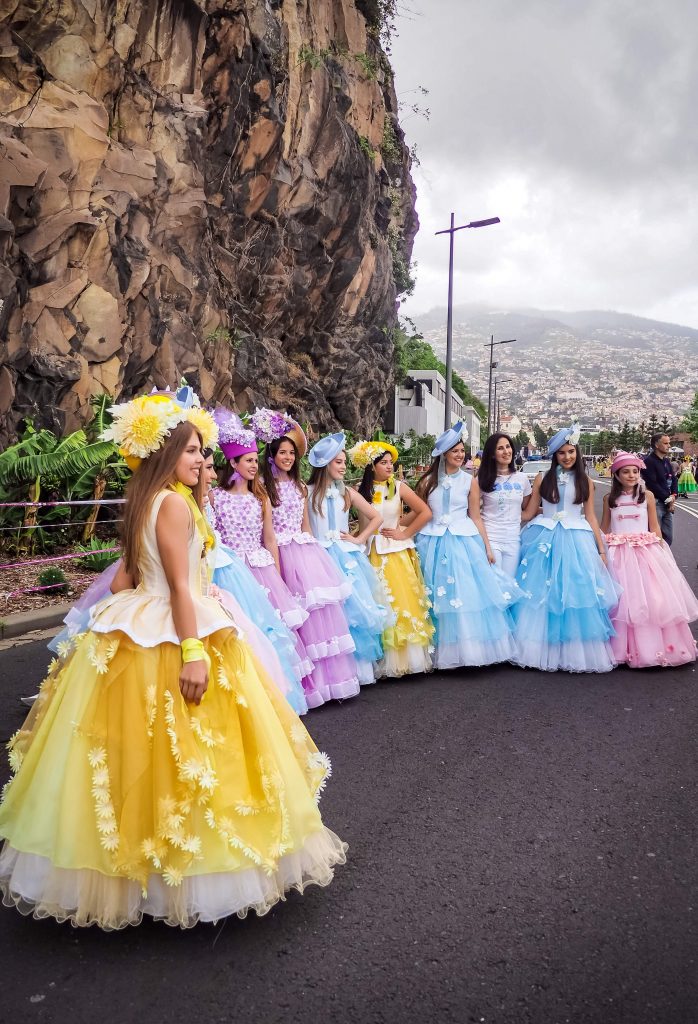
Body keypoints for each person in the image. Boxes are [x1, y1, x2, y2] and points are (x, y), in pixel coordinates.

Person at [0, 390, 346, 929]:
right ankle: (179, 872)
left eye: (203, 453)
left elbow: (124, 577)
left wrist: (117, 608)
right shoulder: (173, 503)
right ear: (164, 455)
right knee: (186, 756)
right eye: (190, 452)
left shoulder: (150, 498)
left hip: (145, 619)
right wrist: (192, 652)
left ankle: (137, 872)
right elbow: (181, 588)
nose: (201, 461)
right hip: (172, 627)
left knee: (137, 757)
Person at [255, 409, 361, 704]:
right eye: (283, 453)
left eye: (291, 453)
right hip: (280, 553)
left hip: (305, 552)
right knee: (292, 618)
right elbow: (268, 533)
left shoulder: (301, 487)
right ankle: (303, 686)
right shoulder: (264, 488)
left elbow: (304, 525)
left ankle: (328, 684)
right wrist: (275, 568)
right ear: (272, 455)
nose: (288, 458)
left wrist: (314, 552)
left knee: (317, 618)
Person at [201, 448, 309, 715]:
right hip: (230, 571)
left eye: (254, 460)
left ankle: (272, 690)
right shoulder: (216, 497)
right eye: (248, 460)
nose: (254, 465)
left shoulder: (260, 497)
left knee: (267, 628)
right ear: (233, 462)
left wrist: (278, 574)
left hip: (262, 568)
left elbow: (269, 538)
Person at [511, 423, 621, 673]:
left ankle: (574, 650)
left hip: (576, 539)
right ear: (554, 455)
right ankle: (541, 649)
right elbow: (529, 512)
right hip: (544, 537)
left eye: (571, 452)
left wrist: (601, 549)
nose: (567, 457)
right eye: (562, 453)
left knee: (575, 592)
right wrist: (501, 513)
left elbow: (591, 516)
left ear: (577, 453)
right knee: (542, 592)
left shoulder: (586, 480)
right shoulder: (542, 477)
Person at [413, 422, 521, 669]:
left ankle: (467, 650)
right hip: (433, 542)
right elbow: (419, 513)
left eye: (462, 451)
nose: (460, 455)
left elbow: (475, 516)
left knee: (465, 595)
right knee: (435, 593)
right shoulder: (427, 481)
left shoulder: (469, 481)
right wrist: (402, 533)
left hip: (464, 542)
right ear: (443, 455)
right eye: (455, 451)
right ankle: (437, 650)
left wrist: (487, 547)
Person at [306, 432, 390, 685]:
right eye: (338, 462)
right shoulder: (307, 492)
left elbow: (376, 517)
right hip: (319, 555)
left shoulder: (348, 493)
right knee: (329, 614)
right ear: (324, 464)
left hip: (345, 556)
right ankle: (334, 673)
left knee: (354, 611)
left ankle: (358, 671)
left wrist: (358, 538)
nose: (344, 467)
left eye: (344, 462)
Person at [600, 451, 698, 667]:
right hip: (618, 554)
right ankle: (622, 648)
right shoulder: (610, 499)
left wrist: (661, 553)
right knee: (621, 601)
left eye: (635, 471)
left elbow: (655, 528)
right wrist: (599, 550)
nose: (632, 475)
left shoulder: (648, 496)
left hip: (644, 551)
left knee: (651, 599)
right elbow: (604, 529)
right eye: (626, 472)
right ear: (616, 475)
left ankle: (653, 647)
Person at [351, 440, 434, 677]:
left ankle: (406, 659)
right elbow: (364, 523)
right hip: (369, 551)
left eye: (390, 462)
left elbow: (425, 512)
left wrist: (403, 531)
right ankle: (380, 658)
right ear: (371, 466)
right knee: (377, 601)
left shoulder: (398, 486)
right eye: (383, 463)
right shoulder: (359, 489)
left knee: (399, 601)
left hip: (393, 551)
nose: (389, 466)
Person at [472, 432, 532, 576]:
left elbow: (527, 510)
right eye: (500, 448)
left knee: (510, 584)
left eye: (508, 447)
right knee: (496, 584)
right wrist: (487, 546)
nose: (506, 451)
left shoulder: (522, 479)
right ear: (492, 454)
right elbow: (473, 513)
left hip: (513, 539)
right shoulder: (482, 479)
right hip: (491, 538)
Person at [641, 433, 678, 544]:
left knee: (668, 538)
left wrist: (674, 495)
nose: (669, 446)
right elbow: (652, 484)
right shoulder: (649, 462)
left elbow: (674, 479)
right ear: (657, 445)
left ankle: (665, 559)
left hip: (667, 503)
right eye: (666, 443)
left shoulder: (666, 461)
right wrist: (669, 499)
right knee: (654, 538)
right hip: (656, 503)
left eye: (669, 443)